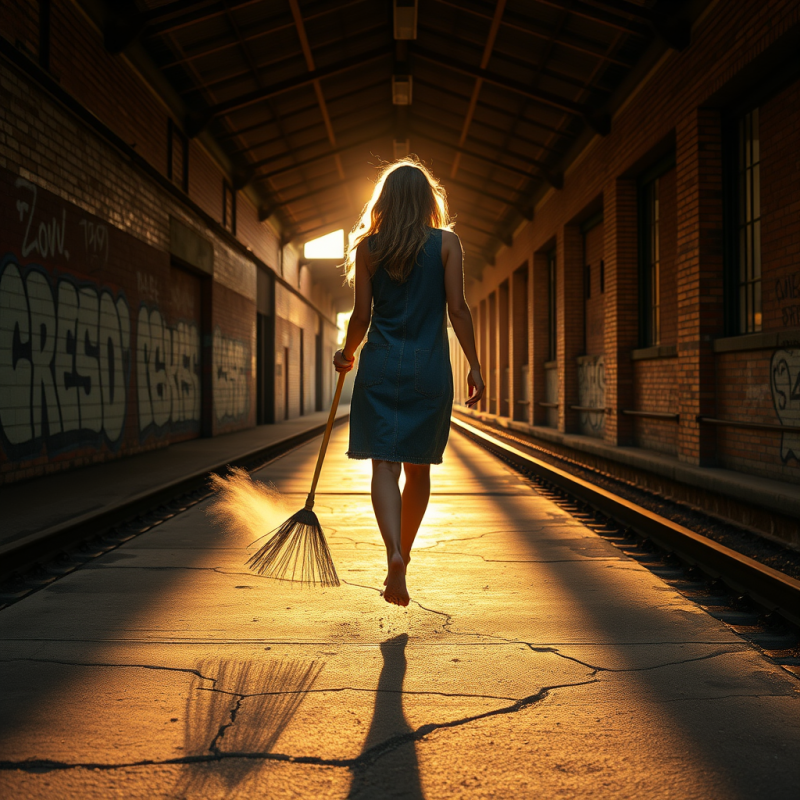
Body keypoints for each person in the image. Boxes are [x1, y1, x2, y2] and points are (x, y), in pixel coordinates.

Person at [333, 158, 485, 607]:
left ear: (384, 202)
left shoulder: (368, 248)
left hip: (379, 364)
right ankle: (406, 553)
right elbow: (458, 309)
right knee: (418, 468)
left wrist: (347, 354)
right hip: (429, 368)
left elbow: (361, 315)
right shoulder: (447, 244)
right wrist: (475, 365)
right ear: (427, 201)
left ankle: (392, 552)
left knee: (383, 464)